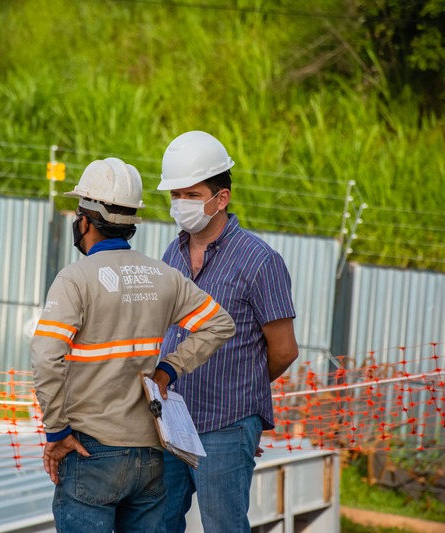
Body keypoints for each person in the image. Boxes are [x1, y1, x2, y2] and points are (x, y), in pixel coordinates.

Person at [30, 157, 236, 533]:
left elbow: (47, 358)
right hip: (149, 458)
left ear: (86, 219)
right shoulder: (164, 276)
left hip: (91, 450)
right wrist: (167, 369)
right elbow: (219, 324)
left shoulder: (75, 279)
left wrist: (57, 432)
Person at [156, 131, 299, 533]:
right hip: (173, 420)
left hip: (225, 425)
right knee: (156, 524)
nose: (181, 204)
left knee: (222, 526)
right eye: (175, 195)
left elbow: (284, 350)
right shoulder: (173, 252)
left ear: (221, 198)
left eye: (191, 194)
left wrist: (242, 401)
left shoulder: (259, 262)